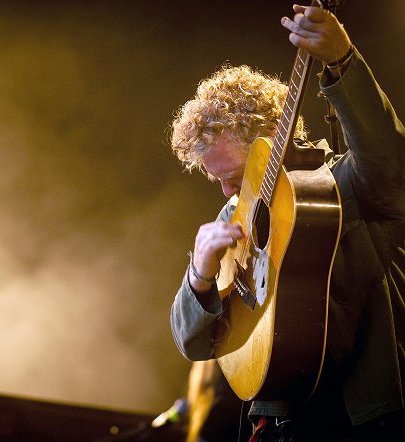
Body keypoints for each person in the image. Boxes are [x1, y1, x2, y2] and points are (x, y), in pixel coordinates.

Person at [168, 4, 405, 441]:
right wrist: (199, 276)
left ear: (274, 138)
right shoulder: (235, 213)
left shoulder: (343, 184)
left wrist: (342, 61)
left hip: (364, 417)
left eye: (234, 177)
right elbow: (194, 343)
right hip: (279, 419)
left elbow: (388, 158)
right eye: (217, 181)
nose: (227, 193)